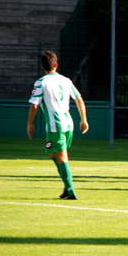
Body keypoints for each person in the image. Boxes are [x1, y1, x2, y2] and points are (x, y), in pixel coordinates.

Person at [27, 51, 89, 200]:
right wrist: (83, 119)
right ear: (56, 65)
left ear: (42, 66)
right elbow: (79, 99)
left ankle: (71, 190)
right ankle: (67, 188)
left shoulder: (41, 82)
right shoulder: (66, 80)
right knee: (53, 153)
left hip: (57, 126)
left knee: (61, 157)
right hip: (68, 123)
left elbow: (34, 106)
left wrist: (29, 123)